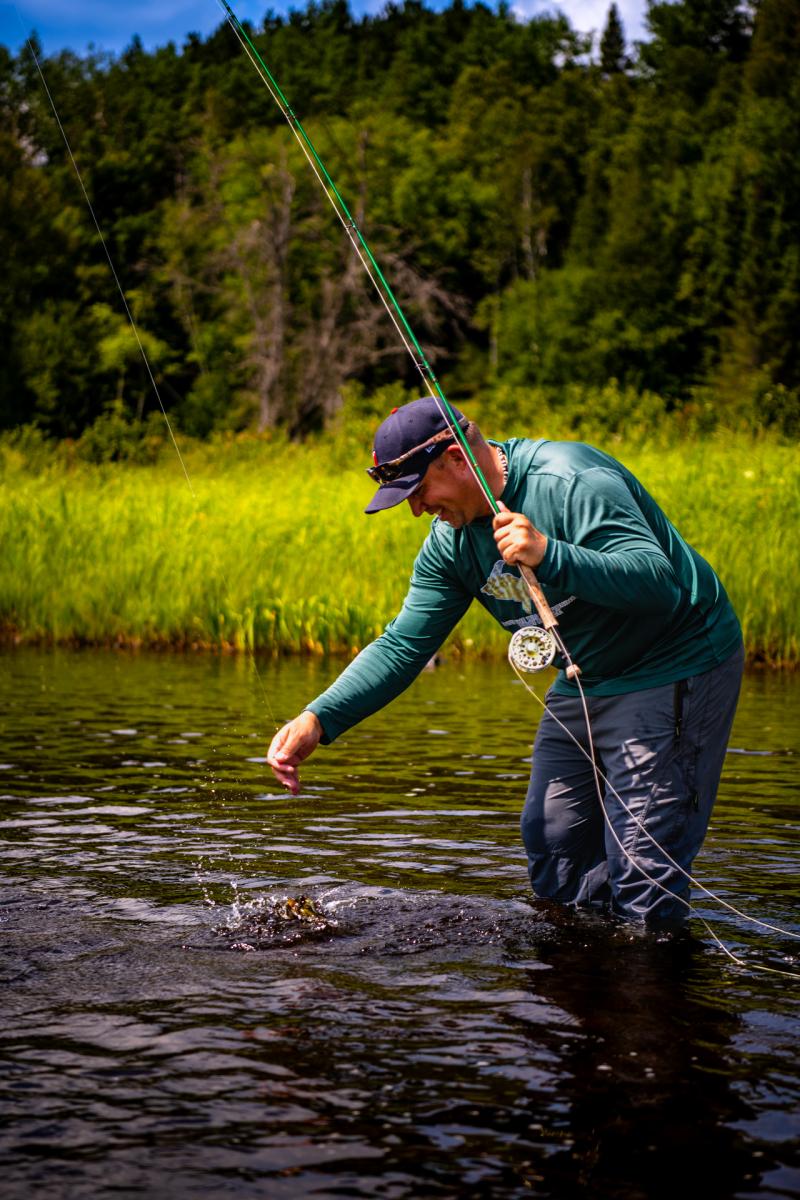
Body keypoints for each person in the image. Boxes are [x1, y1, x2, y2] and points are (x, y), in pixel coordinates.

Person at [267, 397, 744, 928]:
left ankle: (649, 986)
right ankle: (577, 986)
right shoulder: (449, 544)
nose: (418, 509)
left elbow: (659, 581)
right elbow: (404, 645)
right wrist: (319, 718)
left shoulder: (570, 480)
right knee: (553, 839)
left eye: (419, 490)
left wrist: (551, 554)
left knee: (642, 866)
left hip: (675, 662)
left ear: (455, 457)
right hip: (582, 678)